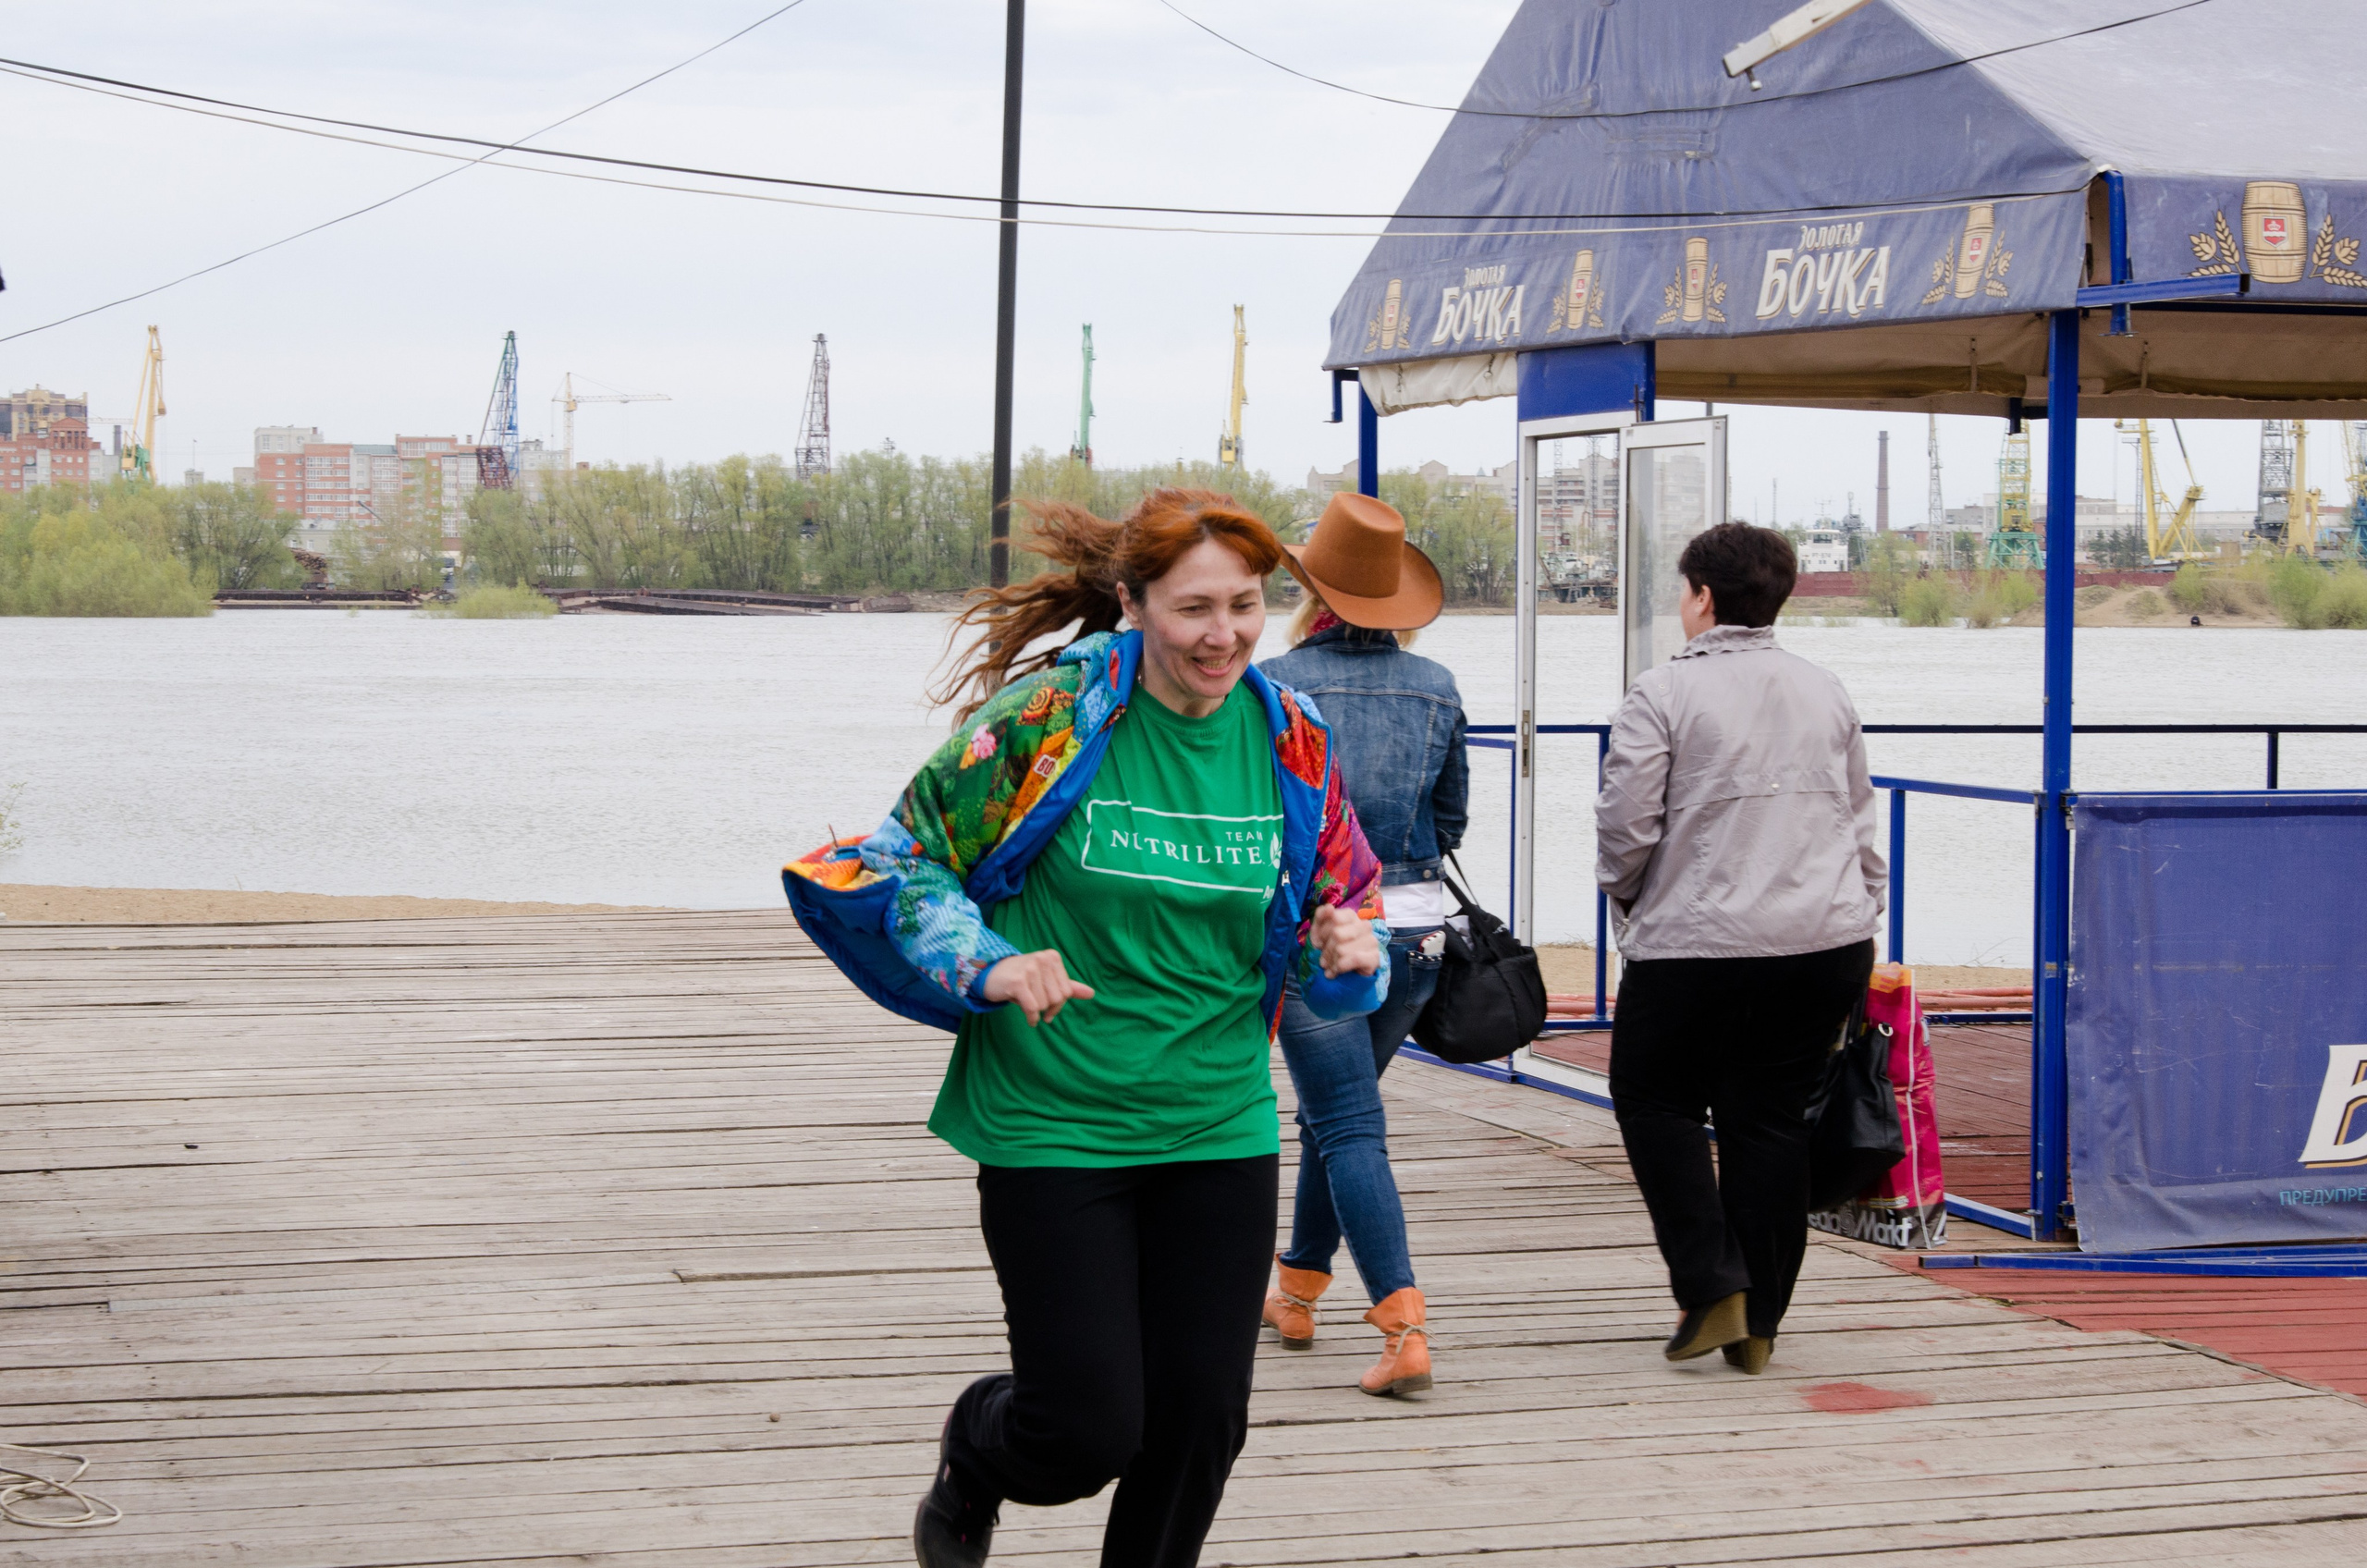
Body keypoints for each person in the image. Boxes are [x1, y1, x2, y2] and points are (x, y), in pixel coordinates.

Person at [783, 489, 1389, 1568]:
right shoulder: (1053, 720)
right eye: (1194, 608)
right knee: (1088, 1428)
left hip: (1217, 1119)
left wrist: (1352, 958)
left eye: (1246, 606)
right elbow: (901, 855)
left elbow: (1332, 927)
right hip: (1053, 1119)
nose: (1224, 635)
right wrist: (990, 962)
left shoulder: (1294, 742)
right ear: (1132, 602)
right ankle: (978, 1449)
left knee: (1201, 1421)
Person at [1594, 521, 1884, 1377]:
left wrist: (1630, 897)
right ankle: (1760, 1322)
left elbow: (1626, 831)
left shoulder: (1660, 695)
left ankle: (1712, 1281)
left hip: (1696, 943)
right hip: (1825, 941)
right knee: (1770, 1118)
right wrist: (1864, 915)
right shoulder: (1825, 690)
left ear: (1704, 599)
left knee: (1653, 1097)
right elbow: (1861, 827)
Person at [1255, 492, 1466, 1396]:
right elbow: (1449, 818)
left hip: (1329, 934)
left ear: (1311, 590)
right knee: (1336, 1116)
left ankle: (1402, 1325)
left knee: (1346, 1123)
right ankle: (1297, 1287)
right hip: (1421, 935)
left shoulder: (1275, 685)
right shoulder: (1438, 687)